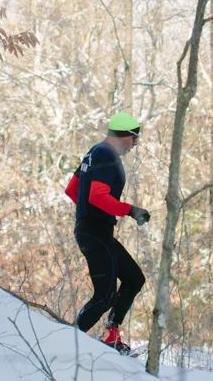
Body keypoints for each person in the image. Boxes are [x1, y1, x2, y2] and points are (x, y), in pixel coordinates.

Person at [61, 112, 150, 353]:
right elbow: (97, 196)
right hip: (95, 231)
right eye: (135, 139)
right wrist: (129, 210)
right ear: (126, 136)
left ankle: (111, 334)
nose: (135, 144)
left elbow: (73, 190)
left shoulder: (95, 152)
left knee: (133, 278)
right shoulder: (106, 155)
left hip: (95, 230)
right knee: (105, 295)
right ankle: (66, 343)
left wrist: (90, 214)